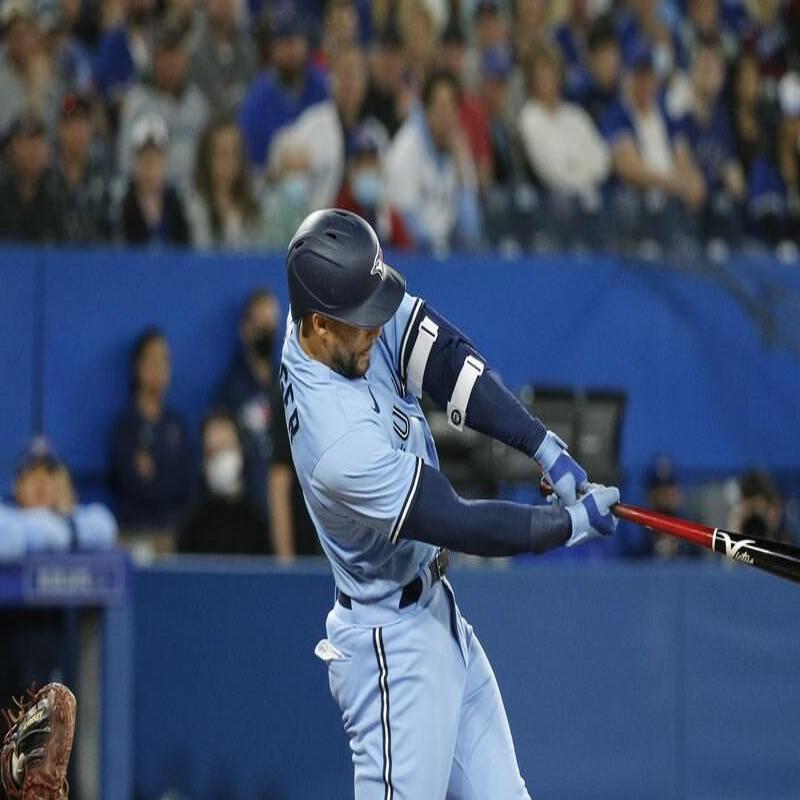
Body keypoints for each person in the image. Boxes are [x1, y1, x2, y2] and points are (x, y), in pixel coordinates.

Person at [281, 209, 619, 798]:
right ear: (318, 325)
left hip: (436, 611)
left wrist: (542, 445)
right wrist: (568, 526)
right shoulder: (335, 442)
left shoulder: (331, 310)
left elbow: (446, 363)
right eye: (361, 322)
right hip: (392, 649)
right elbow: (461, 521)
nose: (376, 328)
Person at [384, 69, 481, 252]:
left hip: (444, 256)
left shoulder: (458, 147)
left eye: (452, 107)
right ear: (427, 109)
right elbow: (403, 220)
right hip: (410, 257)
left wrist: (462, 172)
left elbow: (470, 230)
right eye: (441, 107)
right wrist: (435, 250)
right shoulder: (407, 147)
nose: (447, 116)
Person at [108, 327, 192, 539]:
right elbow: (130, 482)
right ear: (138, 366)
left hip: (172, 532)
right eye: (152, 360)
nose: (160, 368)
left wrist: (155, 474)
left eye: (165, 360)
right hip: (133, 531)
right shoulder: (126, 425)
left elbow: (184, 482)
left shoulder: (176, 425)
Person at [116, 14, 210, 191]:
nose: (171, 62)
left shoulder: (198, 103)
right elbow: (126, 163)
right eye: (165, 54)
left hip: (193, 197)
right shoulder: (137, 102)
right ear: (154, 59)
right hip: (151, 197)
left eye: (176, 54)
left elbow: (207, 160)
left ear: (185, 59)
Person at [215, 290, 281, 521]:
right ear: (245, 329)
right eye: (260, 324)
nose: (267, 332)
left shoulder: (288, 384)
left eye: (271, 324)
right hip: (247, 510)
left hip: (289, 504)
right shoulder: (231, 391)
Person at [238, 3, 328, 170]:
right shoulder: (257, 99)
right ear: (273, 49)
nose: (291, 51)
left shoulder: (323, 86)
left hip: (322, 178)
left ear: (305, 44)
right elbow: (250, 160)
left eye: (294, 42)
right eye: (284, 44)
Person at [178, 409, 269, 554]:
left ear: (240, 451)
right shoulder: (193, 525)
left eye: (226, 449)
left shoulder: (258, 522)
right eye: (214, 452)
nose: (222, 461)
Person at [185, 117, 261, 249]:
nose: (228, 162)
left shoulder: (253, 205)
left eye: (234, 153)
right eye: (222, 154)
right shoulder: (193, 204)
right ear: (207, 157)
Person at [117, 112, 190, 245]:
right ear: (135, 162)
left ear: (164, 162)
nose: (150, 168)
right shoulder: (123, 204)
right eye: (144, 159)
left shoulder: (177, 205)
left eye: (155, 159)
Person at [0, 113, 70, 242]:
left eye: (39, 143)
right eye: (24, 143)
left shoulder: (58, 189)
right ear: (9, 149)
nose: (33, 151)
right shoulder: (3, 188)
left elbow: (71, 243)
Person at [57, 92, 114, 242]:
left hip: (93, 261)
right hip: (51, 259)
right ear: (61, 128)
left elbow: (109, 229)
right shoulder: (46, 175)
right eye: (73, 122)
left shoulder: (103, 175)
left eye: (84, 122)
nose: (79, 130)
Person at [188, 0, 256, 117]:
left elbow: (251, 87)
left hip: (243, 120)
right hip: (208, 123)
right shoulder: (194, 49)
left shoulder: (246, 47)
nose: (224, 4)